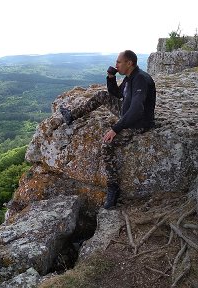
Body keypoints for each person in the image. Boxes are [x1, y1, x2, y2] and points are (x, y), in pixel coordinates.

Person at [60, 50, 156, 209]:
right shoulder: (129, 77)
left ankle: (113, 188)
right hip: (127, 112)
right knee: (101, 96)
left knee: (106, 144)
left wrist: (116, 128)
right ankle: (72, 116)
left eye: (119, 62)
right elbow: (117, 94)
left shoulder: (140, 79)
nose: (116, 64)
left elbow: (137, 109)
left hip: (139, 122)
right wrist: (111, 78)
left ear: (129, 63)